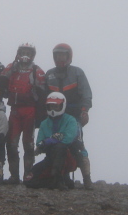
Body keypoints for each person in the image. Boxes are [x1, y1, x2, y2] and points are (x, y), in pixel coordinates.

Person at [43, 43, 93, 189]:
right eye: (57, 55)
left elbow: (86, 93)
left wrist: (85, 111)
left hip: (73, 116)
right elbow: (43, 96)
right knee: (56, 145)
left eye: (62, 54)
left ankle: (87, 179)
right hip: (54, 116)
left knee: (77, 145)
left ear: (68, 56)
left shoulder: (77, 72)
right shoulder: (49, 74)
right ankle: (60, 177)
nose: (60, 57)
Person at [0, 43, 46, 184]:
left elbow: (43, 92)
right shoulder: (12, 67)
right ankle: (14, 175)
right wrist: (13, 65)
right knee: (11, 143)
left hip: (29, 111)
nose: (25, 55)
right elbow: (2, 79)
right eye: (23, 52)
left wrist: (40, 114)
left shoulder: (36, 70)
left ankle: (28, 175)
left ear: (33, 55)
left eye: (28, 52)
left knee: (28, 143)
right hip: (14, 110)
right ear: (18, 53)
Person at [24, 92, 78, 190]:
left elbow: (68, 139)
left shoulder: (71, 120)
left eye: (56, 106)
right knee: (29, 180)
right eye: (51, 106)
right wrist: (47, 142)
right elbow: (39, 142)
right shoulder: (44, 123)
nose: (53, 109)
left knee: (60, 147)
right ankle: (57, 182)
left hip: (68, 157)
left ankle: (58, 179)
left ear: (62, 106)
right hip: (50, 158)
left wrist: (51, 140)